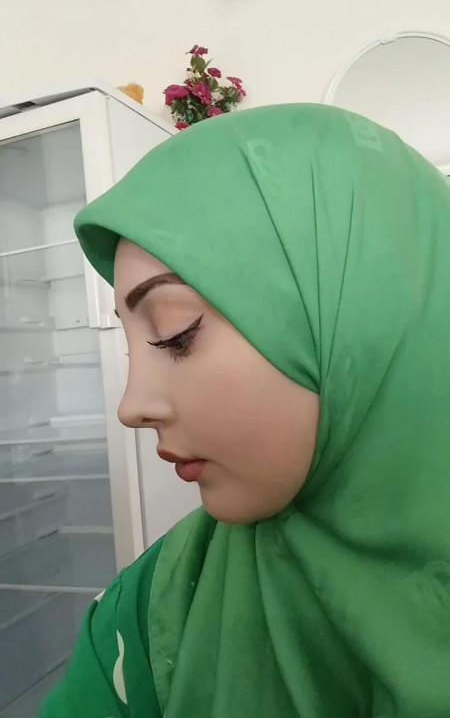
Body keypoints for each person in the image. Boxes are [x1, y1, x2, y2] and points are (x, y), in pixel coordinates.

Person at [40, 104, 450, 718]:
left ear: (366, 318)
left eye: (174, 333)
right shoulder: (145, 617)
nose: (132, 407)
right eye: (130, 345)